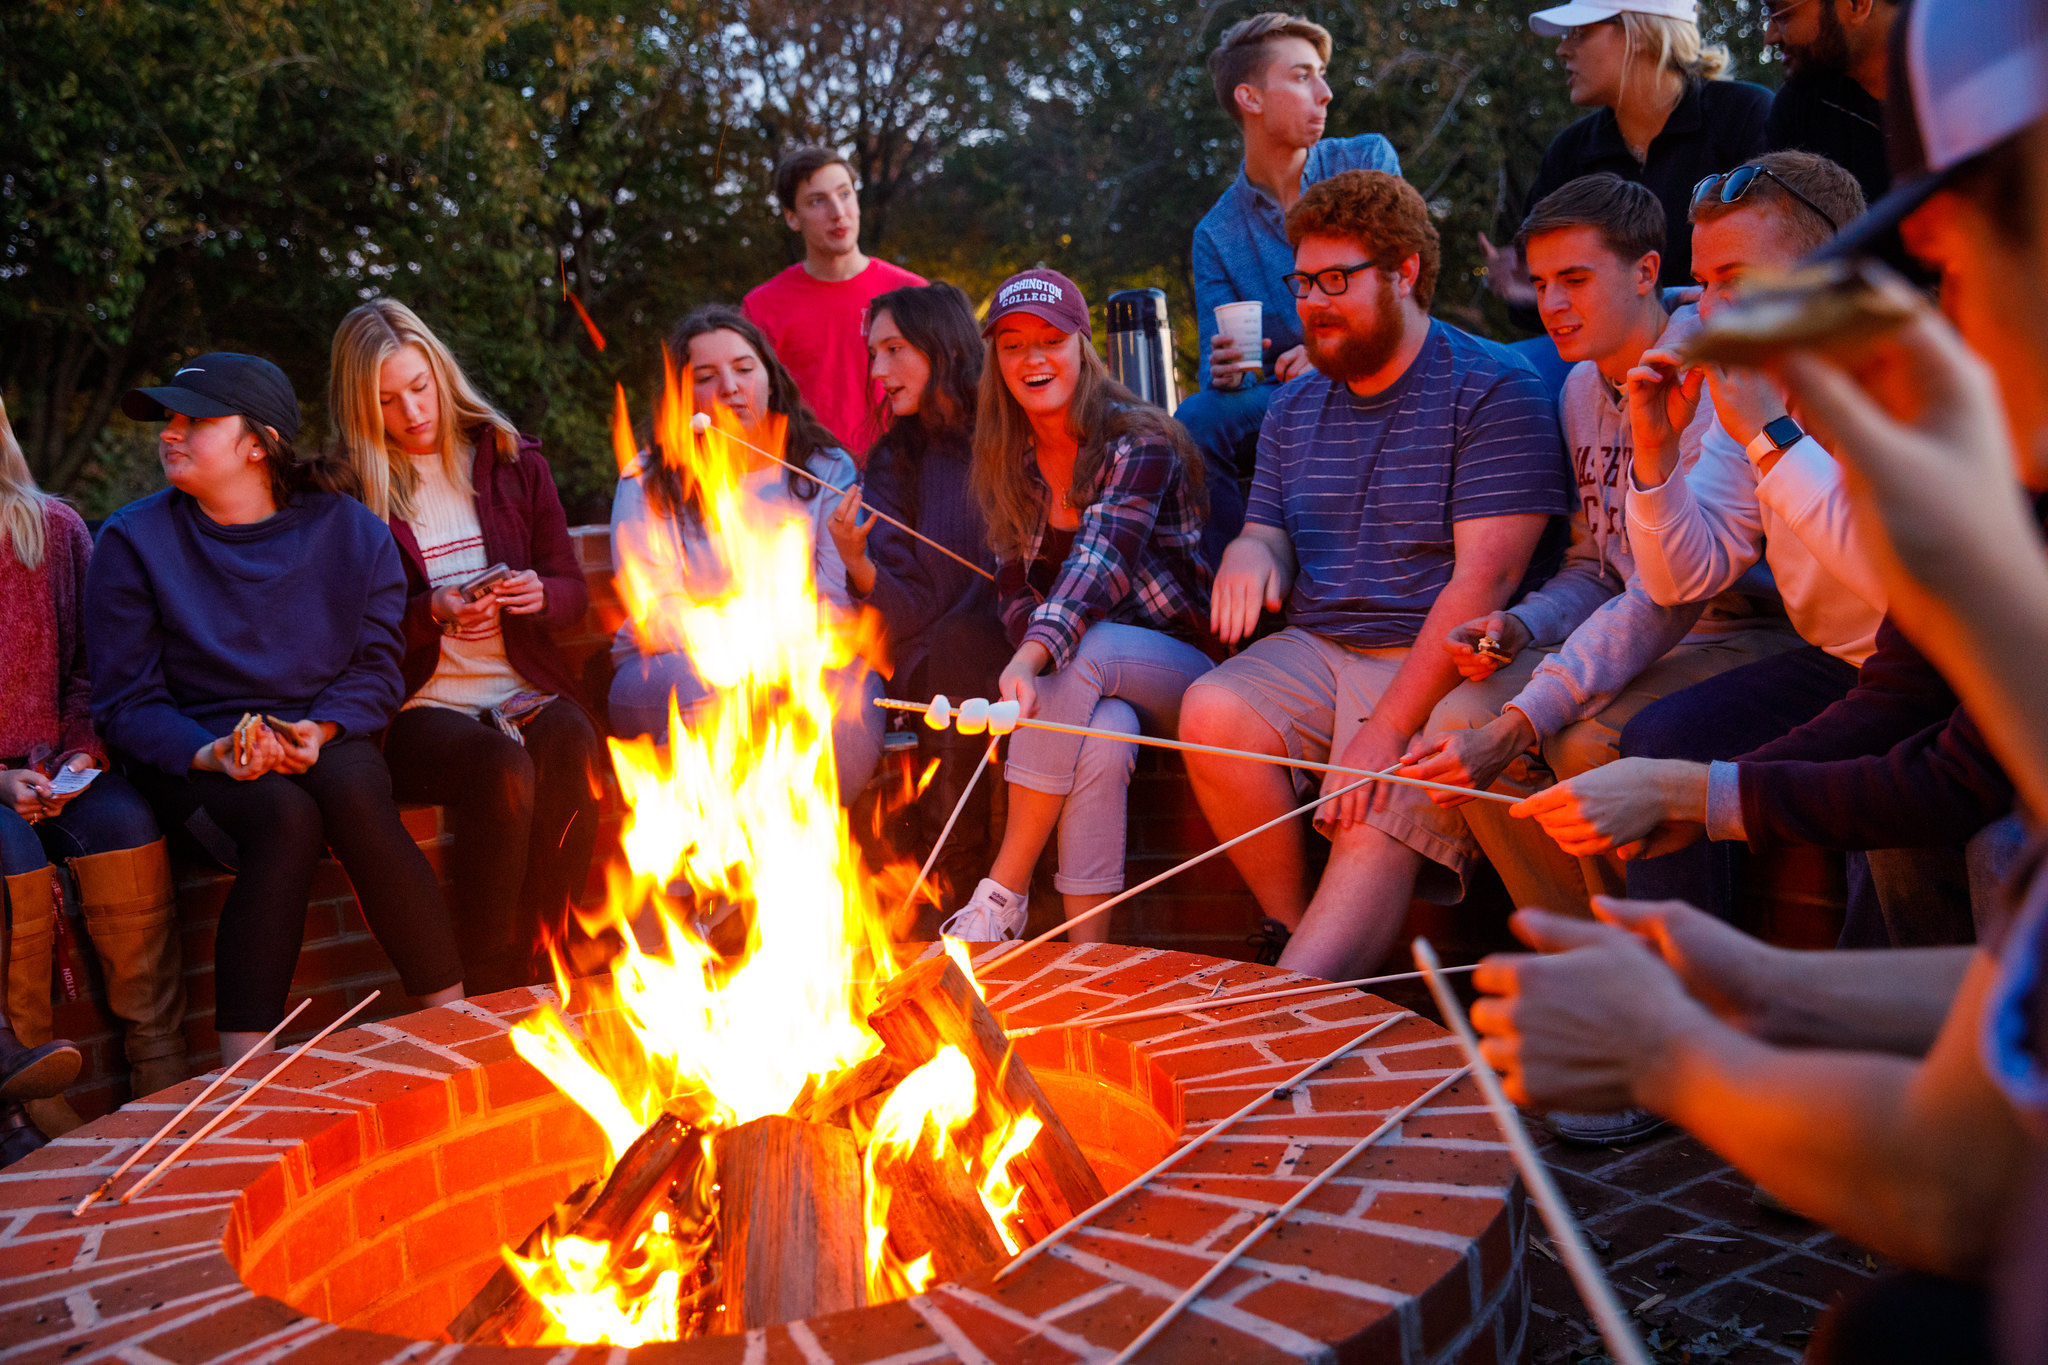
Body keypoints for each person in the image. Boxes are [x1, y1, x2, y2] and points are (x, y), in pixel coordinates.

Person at [1467, 7, 2048, 1355]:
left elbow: (1954, 1175)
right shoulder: (1969, 480)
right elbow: (1900, 680)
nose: (1926, 298)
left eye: (1941, 256)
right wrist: (1758, 986)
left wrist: (1672, 1048)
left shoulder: (1920, 452)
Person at [1179, 171, 1574, 977]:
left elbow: (1481, 588)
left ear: (1405, 273)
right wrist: (1253, 552)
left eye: (1337, 280)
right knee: (1212, 708)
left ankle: (1299, 1001)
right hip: (1327, 645)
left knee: (1373, 800)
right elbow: (1267, 529)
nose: (1314, 302)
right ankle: (1294, 931)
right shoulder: (1294, 405)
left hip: (1448, 661)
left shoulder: (1494, 388)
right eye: (1304, 282)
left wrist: (1384, 731)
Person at [1400, 175, 1798, 941]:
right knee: (1456, 715)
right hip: (1637, 620)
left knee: (1580, 739)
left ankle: (1654, 973)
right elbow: (1597, 566)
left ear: (1646, 271)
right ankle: (1575, 950)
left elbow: (1669, 594)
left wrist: (1520, 722)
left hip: (1740, 620)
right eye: (1541, 283)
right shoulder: (1580, 389)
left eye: (1575, 279)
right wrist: (1520, 625)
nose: (1551, 305)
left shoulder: (1713, 377)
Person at [1516, 151, 1881, 921]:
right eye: (1705, 283)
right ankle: (1674, 987)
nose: (1710, 309)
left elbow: (1901, 585)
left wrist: (1772, 438)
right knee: (1661, 736)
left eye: (1735, 282)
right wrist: (1655, 452)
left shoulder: (1896, 373)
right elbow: (1686, 574)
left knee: (1887, 861)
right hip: (1836, 663)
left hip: (1933, 669)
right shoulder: (1759, 378)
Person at [88, 355, 465, 1063]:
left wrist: (317, 731)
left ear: (259, 442)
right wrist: (213, 752)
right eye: (169, 419)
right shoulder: (133, 541)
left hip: (319, 723)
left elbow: (375, 668)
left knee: (354, 791)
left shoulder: (350, 532)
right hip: (193, 746)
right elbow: (126, 702)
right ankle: (243, 1074)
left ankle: (456, 1025)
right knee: (283, 819)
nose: (171, 433)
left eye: (194, 419)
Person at [328, 301, 605, 994]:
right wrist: (433, 612)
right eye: (388, 400)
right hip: (420, 705)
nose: (413, 410)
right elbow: (346, 631)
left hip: (518, 685)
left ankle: (556, 960)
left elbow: (573, 588)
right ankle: (488, 975)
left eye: (420, 386)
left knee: (571, 736)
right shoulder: (354, 493)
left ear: (441, 371)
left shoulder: (511, 461)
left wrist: (540, 594)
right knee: (500, 768)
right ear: (362, 406)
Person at [940, 270, 1214, 943]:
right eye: (1012, 346)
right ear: (995, 362)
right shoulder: (1008, 458)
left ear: (1082, 345)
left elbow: (1098, 567)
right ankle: (1086, 960)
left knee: (1083, 647)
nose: (1032, 359)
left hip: (1181, 667)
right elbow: (1013, 592)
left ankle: (1003, 890)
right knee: (1104, 734)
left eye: (1050, 340)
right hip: (1091, 691)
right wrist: (1032, 648)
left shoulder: (1137, 441)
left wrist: (1032, 658)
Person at [610, 306, 884, 800]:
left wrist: (783, 655)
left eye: (743, 368)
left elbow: (835, 597)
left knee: (851, 697)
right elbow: (657, 610)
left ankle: (812, 859)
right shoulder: (647, 479)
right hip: (671, 667)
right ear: (680, 396)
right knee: (715, 695)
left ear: (770, 377)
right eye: (707, 377)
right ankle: (706, 867)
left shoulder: (823, 468)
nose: (730, 388)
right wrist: (739, 648)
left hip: (805, 655)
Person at [2, 397, 170, 1160]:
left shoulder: (54, 529)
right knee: (13, 855)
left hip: (57, 765)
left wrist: (78, 754)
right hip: (1, 795)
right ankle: (29, 1091)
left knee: (126, 823)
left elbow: (85, 669)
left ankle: (161, 1070)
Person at [1176, 12, 1402, 562]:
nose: (1324, 93)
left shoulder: (1364, 161)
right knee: (1197, 420)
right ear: (1250, 98)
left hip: (1379, 365)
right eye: (1303, 76)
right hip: (1284, 396)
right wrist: (1226, 368)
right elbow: (1220, 375)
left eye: (1321, 74)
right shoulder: (1217, 233)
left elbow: (1401, 286)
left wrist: (1328, 354)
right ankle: (1238, 595)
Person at [825, 282, 1003, 926]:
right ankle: (954, 875)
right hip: (939, 658)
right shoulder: (893, 460)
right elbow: (907, 616)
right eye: (873, 354)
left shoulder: (1011, 431)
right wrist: (858, 563)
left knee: (966, 645)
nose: (876, 372)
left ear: (941, 347)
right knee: (950, 649)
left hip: (1030, 638)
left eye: (892, 350)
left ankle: (972, 880)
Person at [1482, 0, 1771, 311]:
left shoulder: (1744, 117)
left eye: (1579, 33)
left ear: (1641, 34)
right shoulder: (1570, 153)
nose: (1562, 49)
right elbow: (1546, 299)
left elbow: (1783, 261)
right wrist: (1531, 292)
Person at [742, 146, 926, 459]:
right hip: (809, 483)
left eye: (844, 194)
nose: (837, 212)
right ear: (792, 218)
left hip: (904, 475)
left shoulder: (912, 292)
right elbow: (753, 411)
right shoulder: (762, 307)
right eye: (817, 201)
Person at [1762, 0, 1899, 204]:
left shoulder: (1955, 79)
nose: (1769, 37)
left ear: (1857, 5)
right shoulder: (1801, 104)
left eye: (1782, 15)